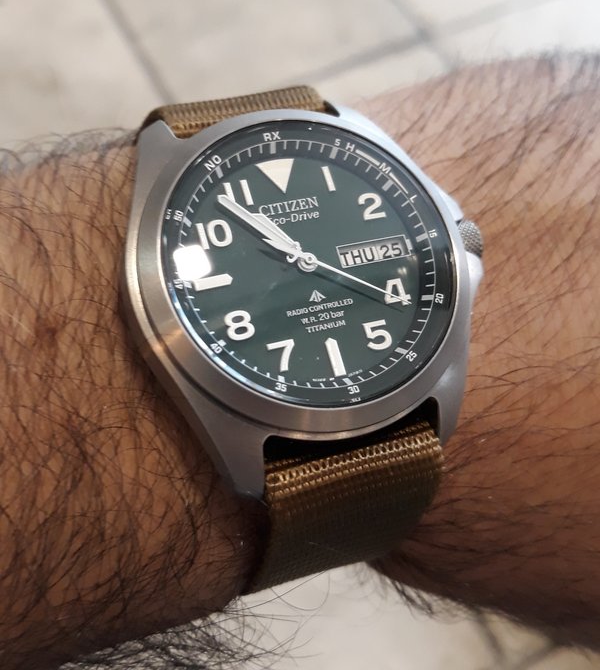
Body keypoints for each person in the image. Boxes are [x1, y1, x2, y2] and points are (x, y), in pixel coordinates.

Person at [0, 55, 598, 670]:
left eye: (308, 262)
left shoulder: (429, 350)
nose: (307, 265)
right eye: (299, 262)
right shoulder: (248, 452)